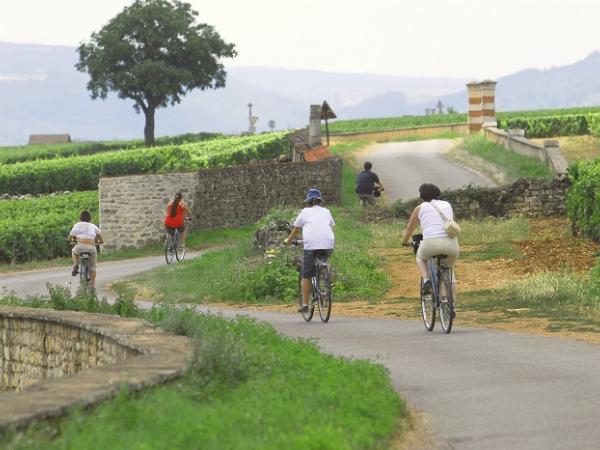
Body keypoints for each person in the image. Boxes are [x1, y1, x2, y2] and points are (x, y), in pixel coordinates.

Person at [401, 183, 459, 311]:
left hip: (430, 244)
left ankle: (427, 280)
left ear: (421, 195)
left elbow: (410, 227)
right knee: (449, 272)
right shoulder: (447, 205)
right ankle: (452, 306)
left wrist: (405, 241)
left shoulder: (419, 208)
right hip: (452, 244)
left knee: (420, 257)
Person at [284, 188, 335, 313]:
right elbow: (331, 225)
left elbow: (296, 230)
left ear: (308, 202)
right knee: (323, 258)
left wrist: (288, 241)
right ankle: (325, 277)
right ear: (319, 201)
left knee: (306, 275)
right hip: (328, 244)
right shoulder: (326, 211)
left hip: (311, 246)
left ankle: (305, 305)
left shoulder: (305, 212)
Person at [68, 210, 104, 286]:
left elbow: (69, 238)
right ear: (90, 219)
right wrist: (97, 243)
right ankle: (92, 286)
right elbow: (101, 240)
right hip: (91, 247)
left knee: (74, 251)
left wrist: (73, 241)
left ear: (80, 218)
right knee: (93, 268)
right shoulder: (94, 226)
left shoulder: (77, 225)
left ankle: (75, 264)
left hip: (80, 246)